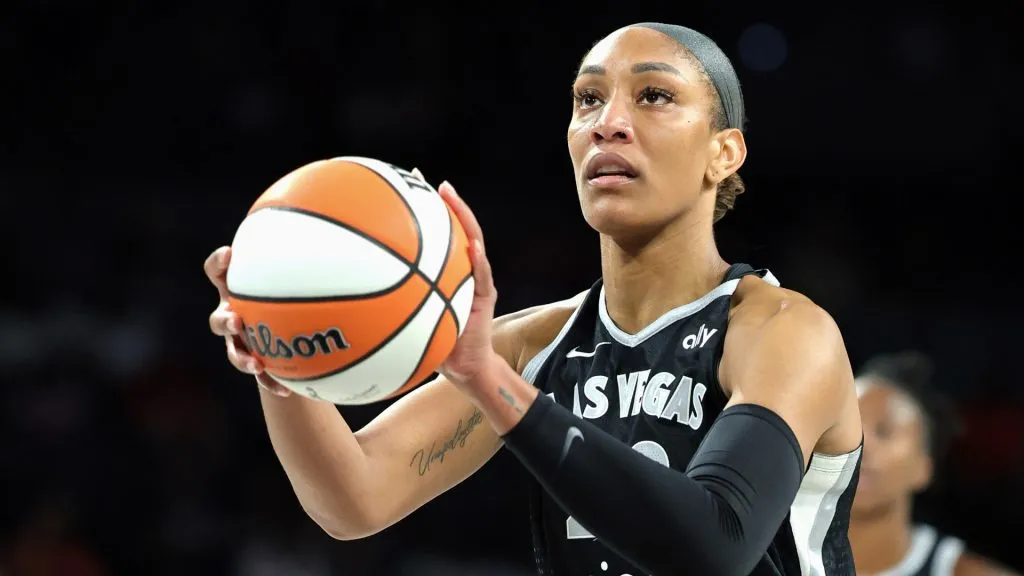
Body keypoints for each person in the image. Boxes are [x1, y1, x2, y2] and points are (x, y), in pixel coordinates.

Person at [205, 23, 864, 576]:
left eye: (655, 95)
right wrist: (281, 362)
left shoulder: (783, 332)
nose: (609, 123)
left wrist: (494, 387)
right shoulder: (531, 346)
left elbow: (714, 546)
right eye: (587, 100)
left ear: (723, 153)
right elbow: (354, 498)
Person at [851, 352, 1019, 576]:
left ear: (924, 469)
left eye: (884, 432)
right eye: (847, 428)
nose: (861, 444)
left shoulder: (963, 571)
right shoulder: (789, 553)